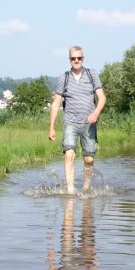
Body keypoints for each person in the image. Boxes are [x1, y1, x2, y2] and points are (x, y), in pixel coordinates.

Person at [48, 45, 106, 194]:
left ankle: (86, 188)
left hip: (89, 123)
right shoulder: (64, 78)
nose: (76, 60)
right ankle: (71, 191)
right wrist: (52, 128)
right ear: (69, 59)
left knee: (89, 159)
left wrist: (96, 113)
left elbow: (102, 97)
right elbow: (56, 104)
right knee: (69, 154)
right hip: (70, 122)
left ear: (83, 58)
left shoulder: (92, 74)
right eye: (73, 58)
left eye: (79, 58)